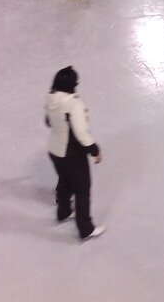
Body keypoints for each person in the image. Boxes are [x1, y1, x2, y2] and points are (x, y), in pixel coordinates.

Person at [44, 66, 105, 241]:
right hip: (72, 154)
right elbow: (80, 132)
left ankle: (63, 212)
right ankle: (86, 228)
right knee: (82, 189)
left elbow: (48, 121)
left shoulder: (50, 98)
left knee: (64, 181)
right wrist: (94, 150)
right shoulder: (74, 104)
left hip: (54, 151)